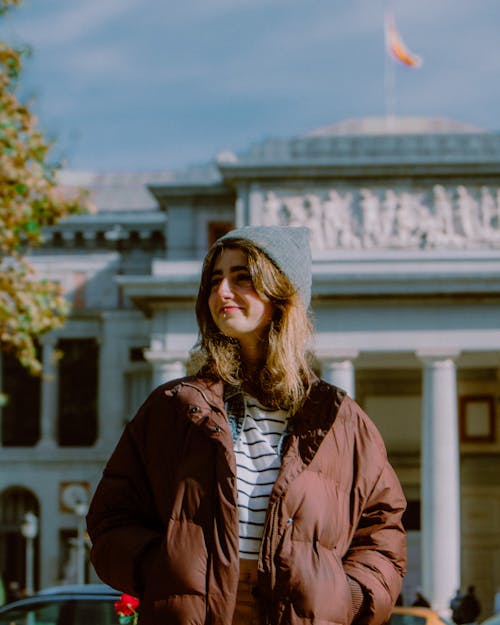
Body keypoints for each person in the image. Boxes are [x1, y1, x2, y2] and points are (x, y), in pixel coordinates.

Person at [86, 225, 407, 625]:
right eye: (215, 279)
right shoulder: (174, 407)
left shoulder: (339, 419)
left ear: (281, 294)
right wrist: (164, 570)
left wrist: (347, 596)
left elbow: (383, 530)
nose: (222, 292)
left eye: (242, 278)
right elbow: (111, 517)